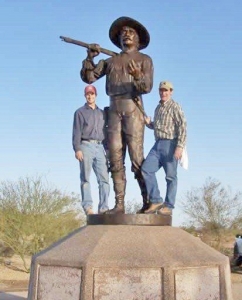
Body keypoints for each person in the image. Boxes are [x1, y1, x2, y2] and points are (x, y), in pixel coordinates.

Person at [80, 17, 154, 214]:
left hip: (133, 108)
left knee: (137, 158)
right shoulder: (110, 61)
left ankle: (147, 201)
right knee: (115, 156)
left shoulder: (144, 60)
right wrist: (90, 57)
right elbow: (89, 77)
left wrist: (138, 75)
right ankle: (119, 203)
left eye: (131, 32)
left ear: (138, 39)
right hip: (113, 110)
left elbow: (146, 87)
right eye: (123, 32)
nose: (127, 34)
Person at [141, 81, 187, 216]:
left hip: (171, 144)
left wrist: (180, 146)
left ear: (171, 92)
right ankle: (156, 200)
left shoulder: (175, 106)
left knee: (170, 176)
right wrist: (149, 123)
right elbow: (158, 126)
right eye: (161, 90)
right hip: (158, 144)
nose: (163, 93)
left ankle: (169, 205)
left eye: (166, 90)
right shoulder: (158, 108)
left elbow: (182, 126)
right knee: (146, 169)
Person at [72, 85, 110, 215]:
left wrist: (107, 150)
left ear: (96, 95)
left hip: (100, 147)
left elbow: (105, 131)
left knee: (104, 178)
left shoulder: (102, 113)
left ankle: (104, 207)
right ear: (85, 96)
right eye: (88, 94)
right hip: (85, 145)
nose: (90, 96)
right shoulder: (80, 112)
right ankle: (88, 207)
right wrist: (77, 149)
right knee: (86, 178)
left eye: (92, 94)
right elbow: (76, 132)